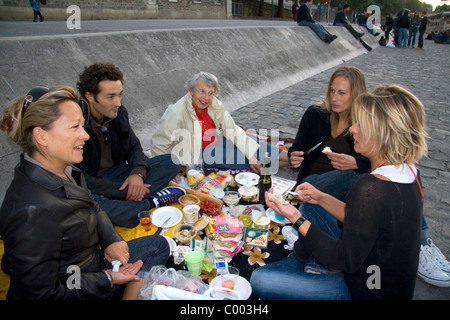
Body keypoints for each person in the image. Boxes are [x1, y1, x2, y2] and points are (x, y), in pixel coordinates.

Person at [251, 84, 428, 299]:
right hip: (380, 272)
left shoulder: (372, 188)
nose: (353, 129)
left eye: (361, 124)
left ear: (383, 132)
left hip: (366, 288)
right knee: (311, 204)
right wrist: (321, 197)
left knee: (260, 280)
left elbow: (344, 259)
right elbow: (364, 221)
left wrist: (295, 218)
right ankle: (310, 257)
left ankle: (312, 263)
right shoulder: (409, 171)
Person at [0, 86, 170, 299]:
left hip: (92, 265)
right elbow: (43, 293)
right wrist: (107, 279)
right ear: (41, 136)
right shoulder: (30, 210)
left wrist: (111, 239)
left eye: (82, 125)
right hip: (78, 285)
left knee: (158, 245)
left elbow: (92, 205)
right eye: (74, 127)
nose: (84, 135)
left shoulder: (66, 170)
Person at [74, 63, 182, 228]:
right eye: (110, 97)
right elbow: (79, 177)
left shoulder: (118, 113)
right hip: (95, 185)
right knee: (93, 206)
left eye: (120, 95)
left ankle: (131, 205)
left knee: (172, 161)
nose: (117, 102)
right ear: (90, 96)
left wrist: (137, 175)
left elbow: (135, 147)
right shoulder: (75, 123)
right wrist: (124, 191)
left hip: (121, 175)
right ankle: (149, 203)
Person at [148, 71, 290, 174]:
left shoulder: (214, 105)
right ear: (191, 91)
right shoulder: (177, 111)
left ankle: (292, 158)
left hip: (215, 139)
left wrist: (252, 156)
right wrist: (168, 172)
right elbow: (159, 144)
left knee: (253, 143)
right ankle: (291, 162)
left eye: (211, 93)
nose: (206, 97)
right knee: (240, 158)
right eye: (202, 91)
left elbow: (232, 129)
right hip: (196, 153)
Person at [288, 66, 370, 190]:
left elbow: (379, 162)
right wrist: (293, 156)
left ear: (356, 95)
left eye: (341, 93)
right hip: (307, 186)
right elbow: (297, 148)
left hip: (342, 192)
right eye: (332, 91)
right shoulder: (315, 113)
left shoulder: (366, 123)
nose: (334, 98)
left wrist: (356, 163)